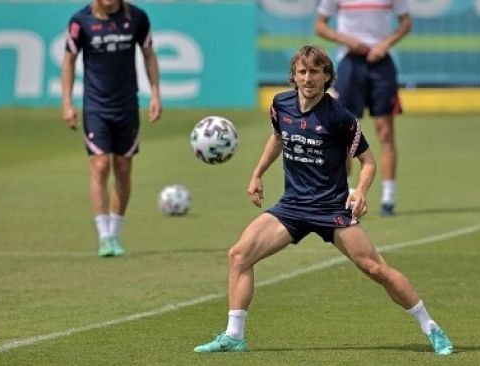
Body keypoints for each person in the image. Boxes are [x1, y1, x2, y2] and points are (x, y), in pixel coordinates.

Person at [193, 45, 452, 355]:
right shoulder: (281, 105)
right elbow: (278, 137)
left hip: (331, 209)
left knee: (375, 269)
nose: (308, 78)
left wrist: (360, 191)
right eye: (302, 72)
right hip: (292, 207)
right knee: (238, 255)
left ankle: (432, 328)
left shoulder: (340, 117)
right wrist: (258, 172)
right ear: (293, 76)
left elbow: (368, 161)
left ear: (327, 76)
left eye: (315, 71)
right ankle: (234, 335)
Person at [61, 0, 162, 257]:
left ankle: (115, 232)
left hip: (127, 106)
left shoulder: (137, 17)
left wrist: (156, 95)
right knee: (100, 165)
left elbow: (149, 54)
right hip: (96, 108)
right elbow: (69, 61)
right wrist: (67, 103)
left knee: (124, 168)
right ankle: (103, 235)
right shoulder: (80, 20)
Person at [314, 0, 411, 217]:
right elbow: (320, 25)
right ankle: (345, 193)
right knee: (345, 132)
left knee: (385, 130)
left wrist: (385, 44)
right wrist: (347, 40)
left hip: (381, 62)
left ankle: (388, 198)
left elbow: (405, 23)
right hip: (350, 63)